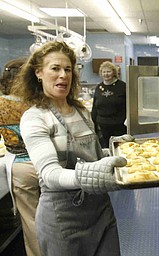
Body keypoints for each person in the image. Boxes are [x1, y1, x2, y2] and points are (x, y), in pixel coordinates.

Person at [12, 41, 134, 256]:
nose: (63, 75)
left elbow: (91, 156)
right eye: (55, 68)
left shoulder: (81, 111)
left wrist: (118, 153)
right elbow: (50, 174)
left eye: (68, 69)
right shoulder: (35, 117)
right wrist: (92, 176)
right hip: (64, 219)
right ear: (39, 73)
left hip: (101, 212)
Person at [0, 58, 41, 256]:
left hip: (21, 166)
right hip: (48, 163)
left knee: (31, 220)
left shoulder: (2, 104)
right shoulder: (40, 102)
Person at [91, 61, 127, 148]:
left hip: (119, 126)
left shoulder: (122, 86)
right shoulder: (98, 88)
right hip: (102, 128)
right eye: (104, 72)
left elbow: (129, 105)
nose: (106, 74)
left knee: (120, 148)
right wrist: (93, 124)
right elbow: (95, 107)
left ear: (114, 72)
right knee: (105, 149)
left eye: (108, 71)